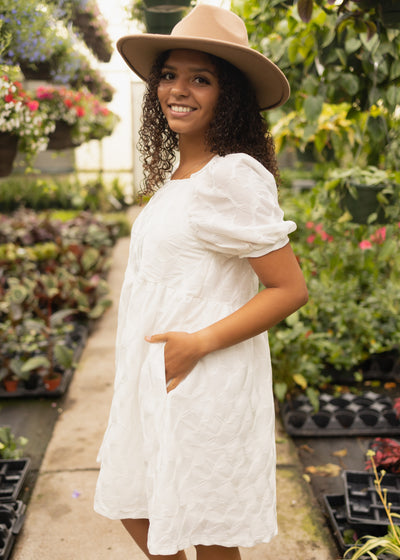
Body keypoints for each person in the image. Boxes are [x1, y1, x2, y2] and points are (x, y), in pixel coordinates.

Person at [94, 5, 308, 560]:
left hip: (204, 380)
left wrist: (197, 344)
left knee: (208, 533)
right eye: (169, 74)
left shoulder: (231, 176)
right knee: (136, 500)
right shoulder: (177, 179)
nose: (177, 90)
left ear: (228, 95)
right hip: (156, 377)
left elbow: (289, 288)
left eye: (201, 78)